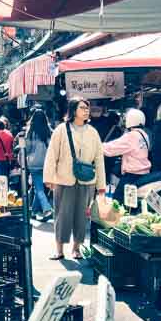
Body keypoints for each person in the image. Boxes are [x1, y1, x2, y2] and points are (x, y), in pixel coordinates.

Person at [43, 97, 106, 260]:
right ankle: (59, 249)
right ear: (73, 110)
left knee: (81, 216)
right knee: (62, 215)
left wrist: (101, 186)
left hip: (87, 181)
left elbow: (99, 159)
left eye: (87, 108)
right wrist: (49, 178)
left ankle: (76, 248)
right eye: (82, 108)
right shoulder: (61, 130)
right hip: (64, 180)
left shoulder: (93, 132)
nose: (86, 111)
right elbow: (51, 155)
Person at [102, 108, 151, 204]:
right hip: (144, 174)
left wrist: (98, 146)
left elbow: (112, 148)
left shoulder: (131, 136)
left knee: (118, 202)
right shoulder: (144, 134)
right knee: (132, 204)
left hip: (132, 176)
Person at [23, 108, 53, 221]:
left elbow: (28, 148)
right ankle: (34, 211)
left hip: (34, 164)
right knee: (40, 188)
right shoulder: (49, 131)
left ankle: (47, 209)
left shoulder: (30, 132)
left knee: (39, 188)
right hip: (47, 163)